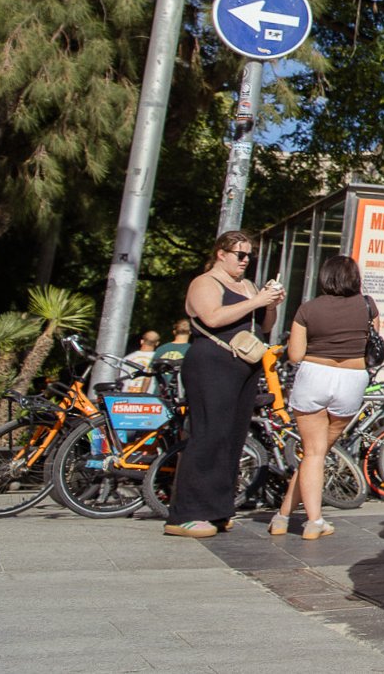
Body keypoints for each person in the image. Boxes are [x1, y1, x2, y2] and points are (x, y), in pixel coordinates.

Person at [163, 229, 283, 539]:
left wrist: (269, 304)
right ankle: (187, 513)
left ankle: (218, 509)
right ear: (221, 253)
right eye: (240, 255)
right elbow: (212, 317)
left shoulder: (247, 285)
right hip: (211, 362)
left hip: (244, 363)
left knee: (232, 437)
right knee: (208, 434)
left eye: (249, 256)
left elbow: (264, 326)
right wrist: (255, 300)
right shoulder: (204, 283)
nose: (245, 261)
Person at [270, 254, 377, 540]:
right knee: (316, 454)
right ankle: (282, 516)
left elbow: (294, 355)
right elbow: (374, 344)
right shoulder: (367, 305)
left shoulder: (307, 309)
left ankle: (312, 522)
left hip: (315, 375)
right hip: (353, 380)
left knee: (313, 453)